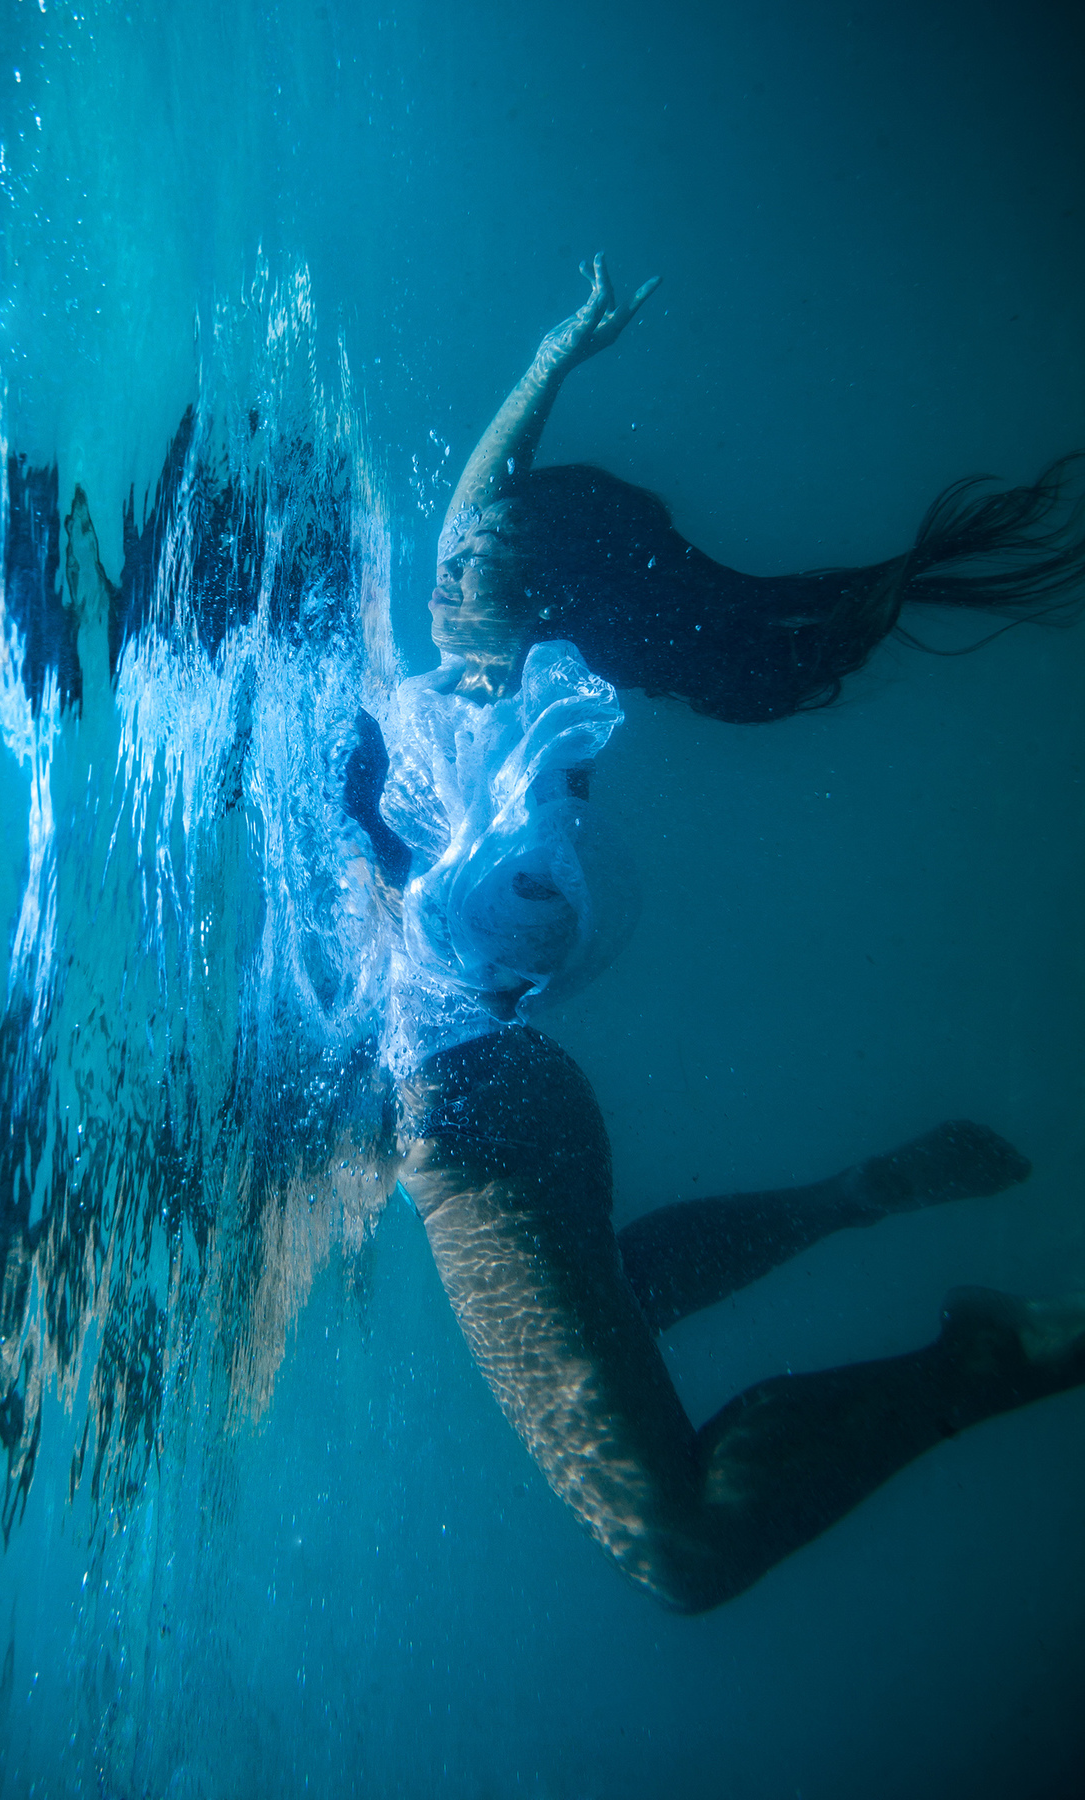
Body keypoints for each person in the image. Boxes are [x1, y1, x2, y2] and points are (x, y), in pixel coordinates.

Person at [346, 255, 1085, 1612]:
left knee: (681, 1545)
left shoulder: (508, 741)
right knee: (609, 1300)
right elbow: (485, 515)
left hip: (468, 1120)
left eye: (480, 575)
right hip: (497, 1101)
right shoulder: (485, 689)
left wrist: (551, 366)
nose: (451, 580)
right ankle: (858, 1196)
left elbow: (484, 539)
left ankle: (979, 1365)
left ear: (532, 605)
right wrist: (552, 360)